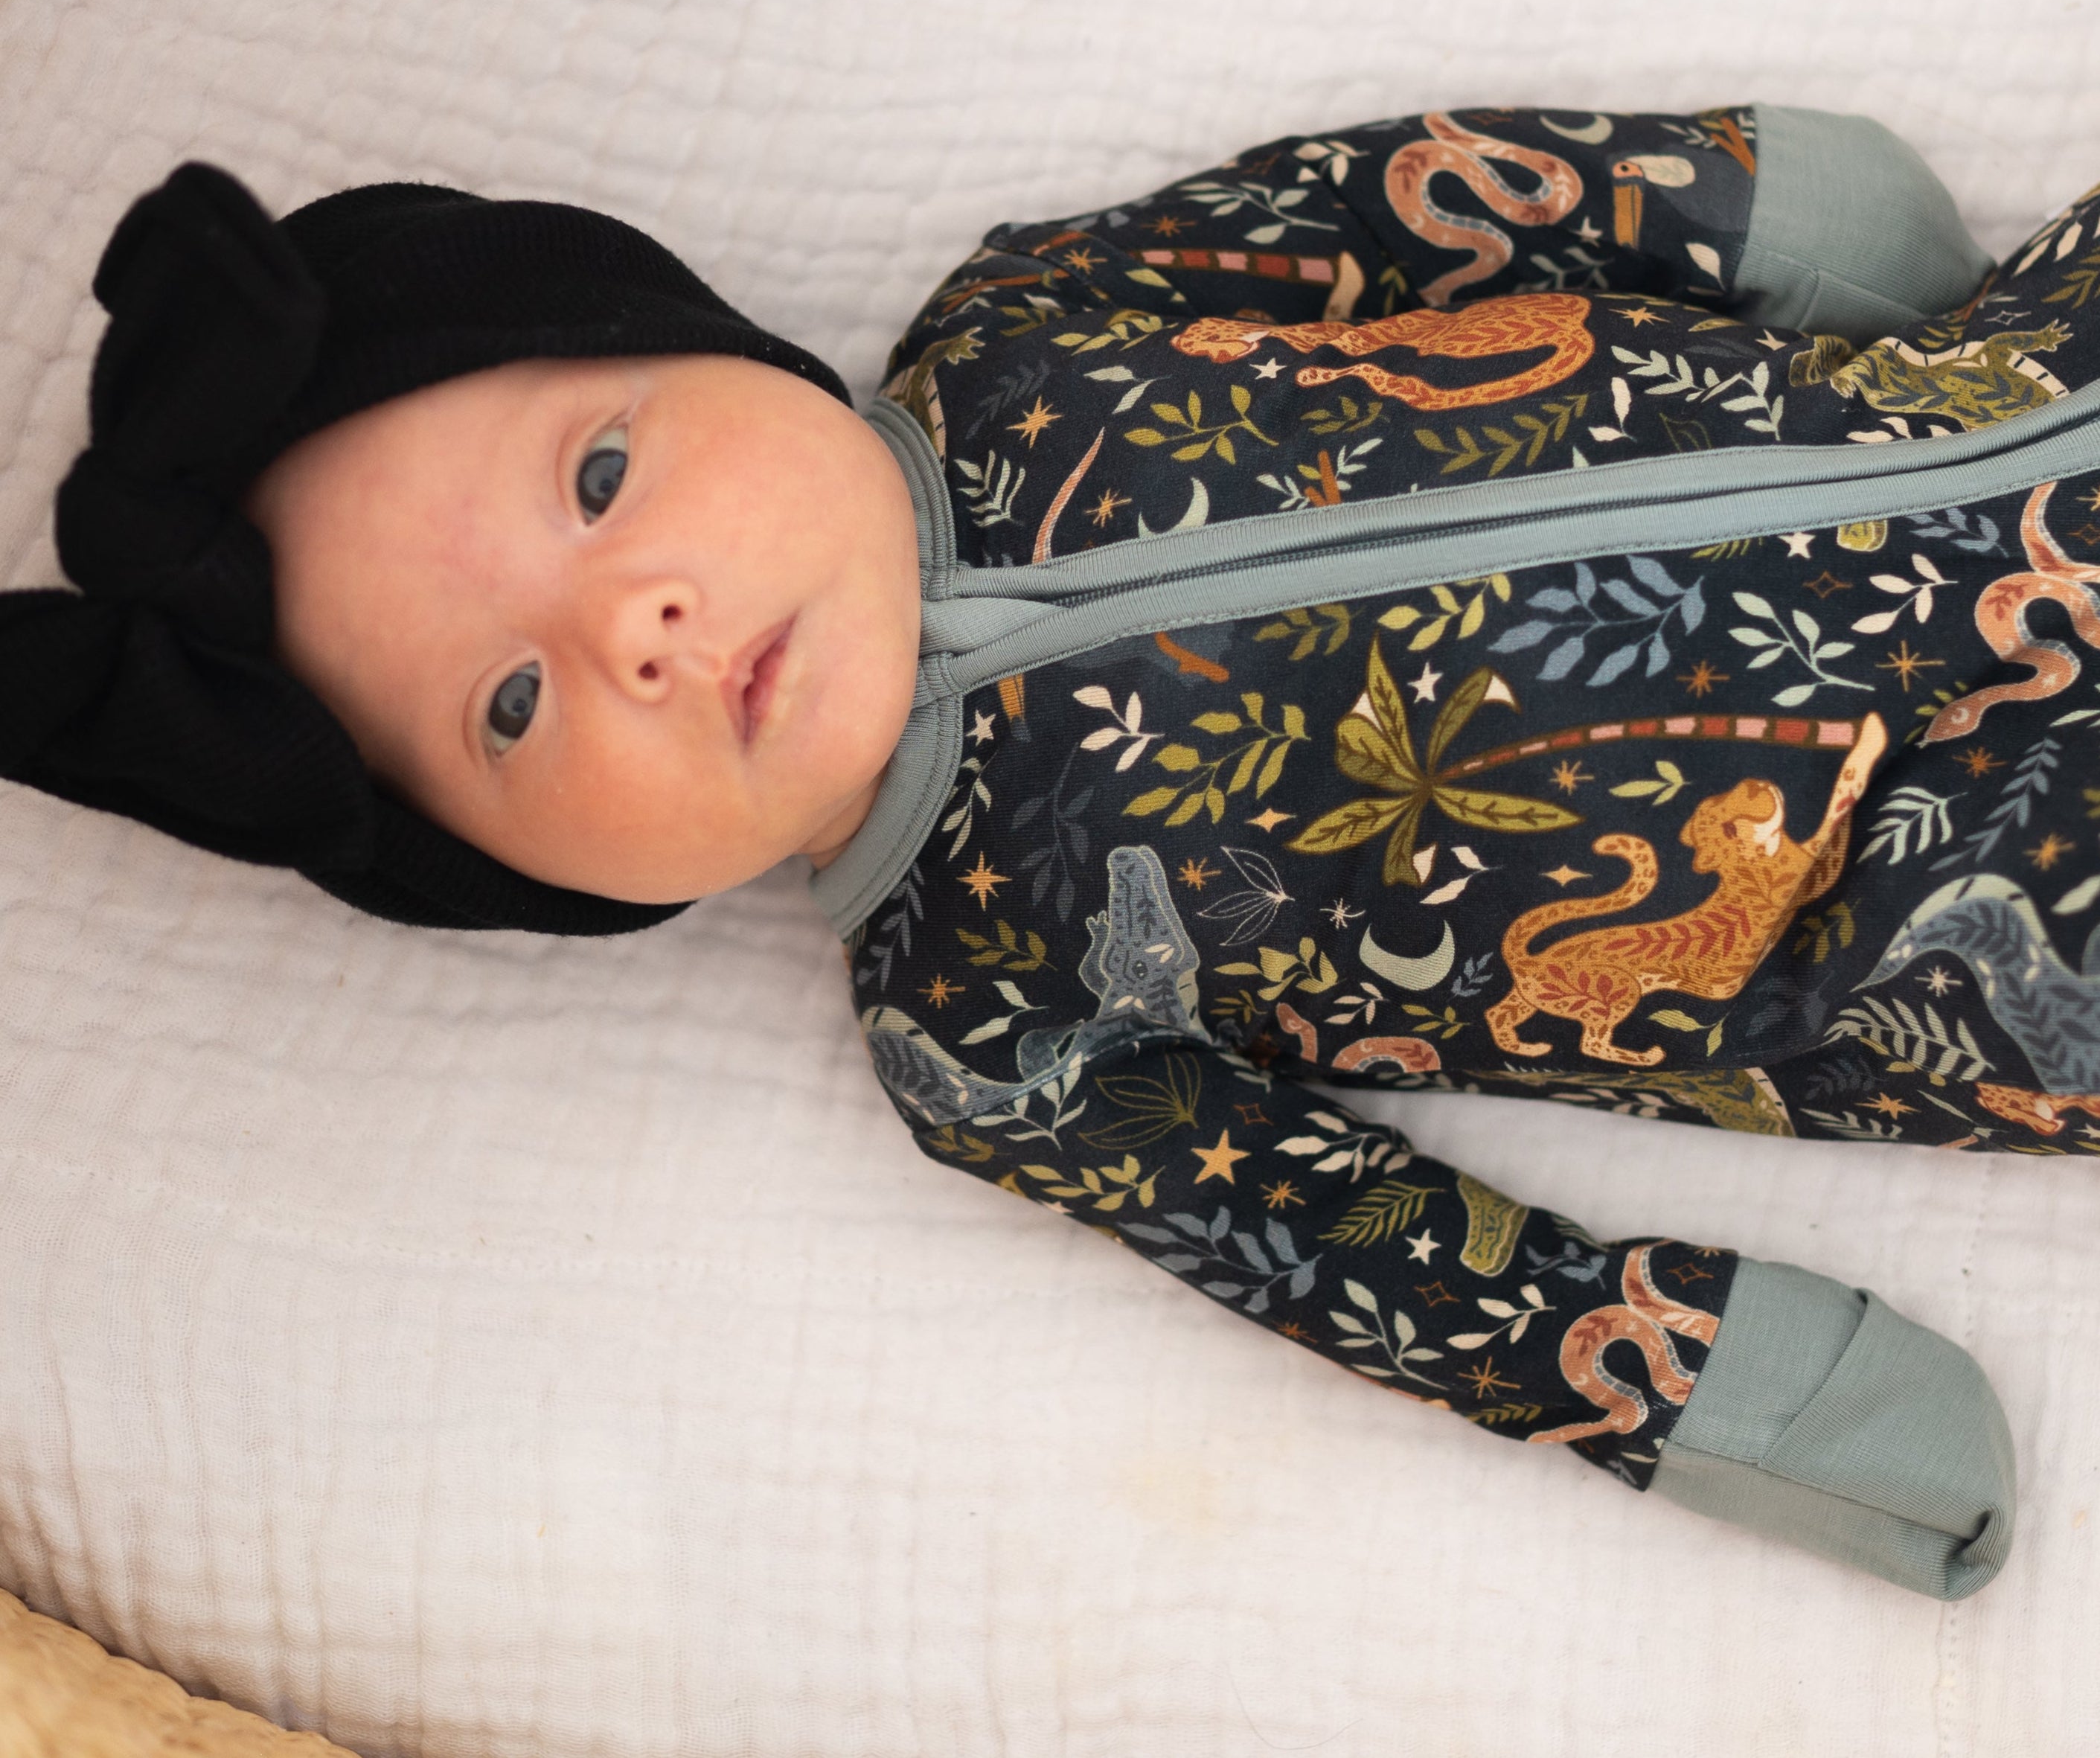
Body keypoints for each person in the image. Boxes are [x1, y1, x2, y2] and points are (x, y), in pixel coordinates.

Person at [10, 103, 2095, 1600]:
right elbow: (1332, 1241)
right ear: (536, 891)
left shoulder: (1028, 325)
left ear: (699, 338)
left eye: (606, 472)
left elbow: (1369, 211)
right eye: (509, 708)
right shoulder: (976, 1018)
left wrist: (1715, 202)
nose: (634, 621)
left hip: (2000, 401)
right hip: (1972, 889)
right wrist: (1721, 1390)